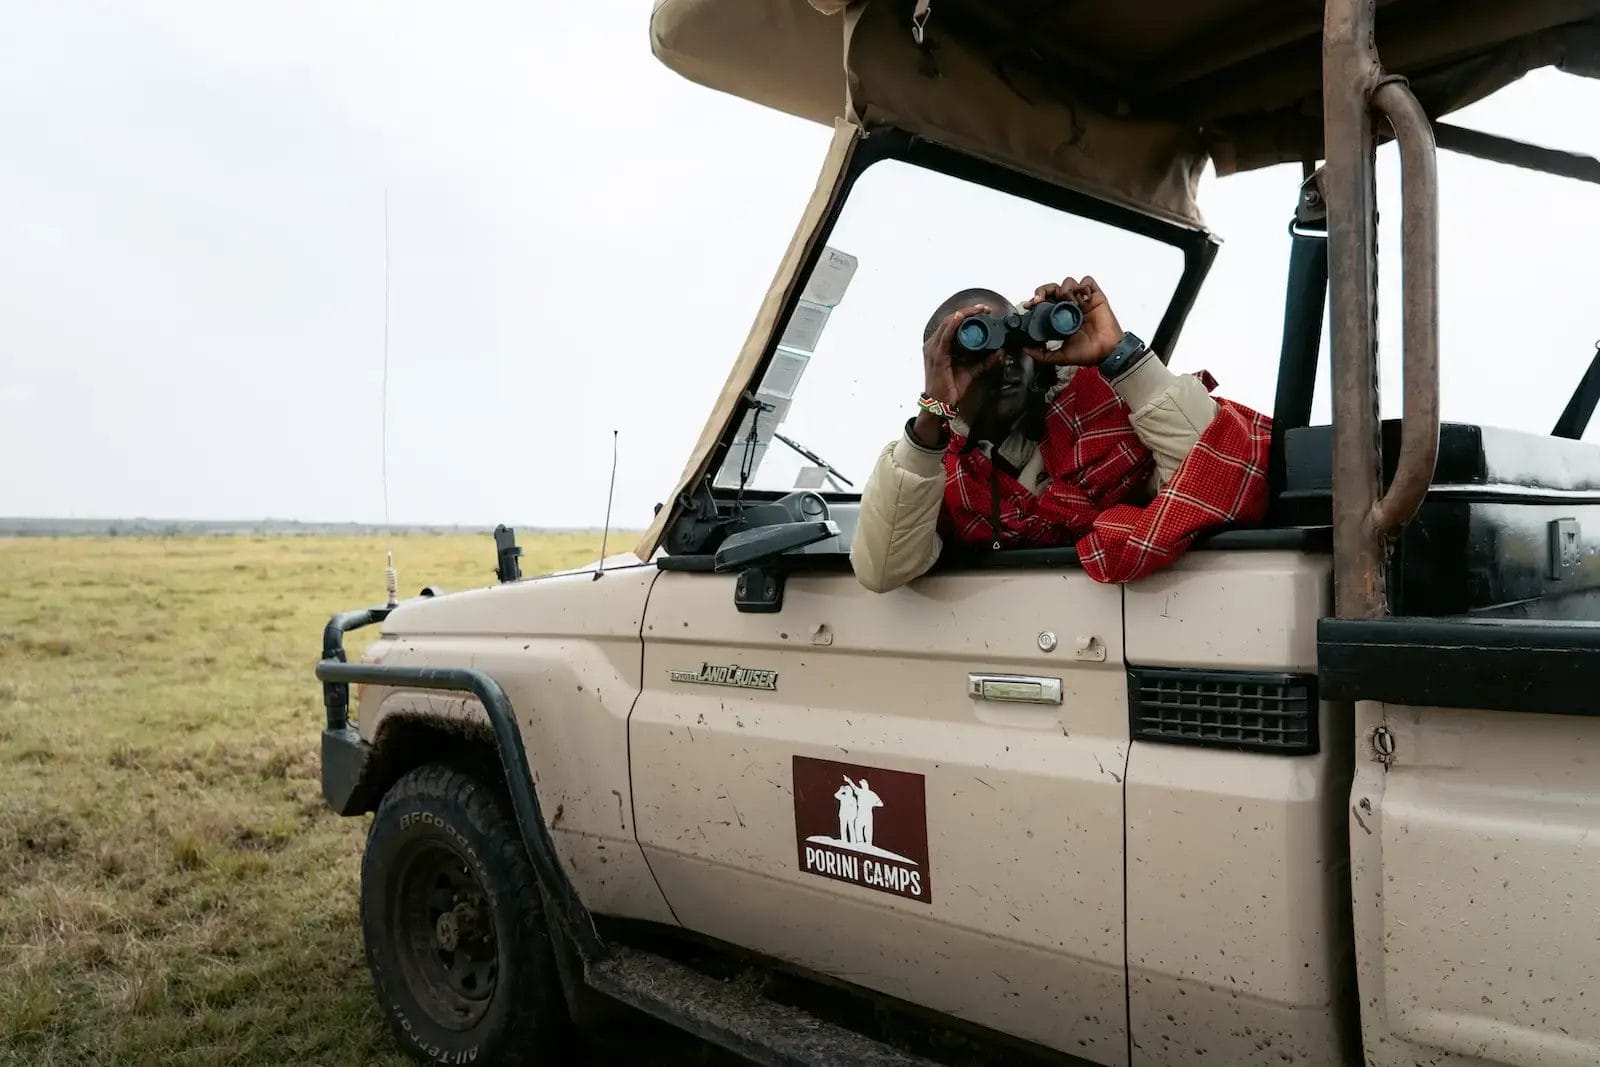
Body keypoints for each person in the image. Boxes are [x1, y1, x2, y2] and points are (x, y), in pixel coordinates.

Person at [849, 276, 1271, 593]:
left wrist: (1122, 357)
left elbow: (1216, 471)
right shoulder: (935, 466)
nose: (1004, 362)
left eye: (1014, 341)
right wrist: (932, 415)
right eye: (975, 351)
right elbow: (883, 568)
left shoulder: (1102, 411)